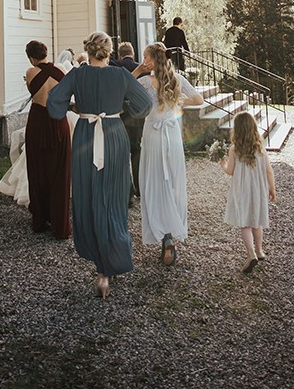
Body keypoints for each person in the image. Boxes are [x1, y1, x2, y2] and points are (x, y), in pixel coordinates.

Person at [47, 30, 152, 298]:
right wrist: (121, 107)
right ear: (109, 51)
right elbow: (145, 103)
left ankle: (101, 269)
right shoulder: (120, 75)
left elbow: (53, 102)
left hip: (85, 135)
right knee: (114, 198)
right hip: (114, 134)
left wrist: (73, 107)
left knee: (89, 196)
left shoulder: (78, 74)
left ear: (89, 50)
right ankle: (111, 260)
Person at [138, 42, 203, 266]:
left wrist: (137, 70)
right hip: (171, 133)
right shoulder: (178, 80)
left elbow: (124, 87)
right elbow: (199, 100)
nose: (143, 60)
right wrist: (176, 103)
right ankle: (170, 235)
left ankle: (163, 235)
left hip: (154, 134)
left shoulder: (145, 81)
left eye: (145, 57)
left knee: (155, 182)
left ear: (151, 60)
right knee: (172, 182)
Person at [23, 40, 71, 239]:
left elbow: (31, 89)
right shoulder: (61, 71)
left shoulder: (30, 72)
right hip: (58, 120)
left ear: (31, 57)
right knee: (60, 171)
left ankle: (41, 219)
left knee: (38, 169)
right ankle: (59, 222)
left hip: (38, 122)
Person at [220, 110, 276, 274]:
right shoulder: (260, 148)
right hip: (258, 190)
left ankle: (251, 254)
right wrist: (272, 188)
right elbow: (268, 171)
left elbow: (230, 171)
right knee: (256, 221)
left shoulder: (234, 149)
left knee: (244, 223)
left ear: (236, 130)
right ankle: (259, 250)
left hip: (241, 191)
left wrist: (222, 163)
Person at [110, 42, 150, 207]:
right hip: (136, 116)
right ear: (132, 55)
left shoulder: (114, 67)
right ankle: (140, 189)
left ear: (120, 55)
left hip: (119, 116)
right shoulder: (141, 68)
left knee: (123, 153)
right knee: (136, 151)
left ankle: (127, 193)